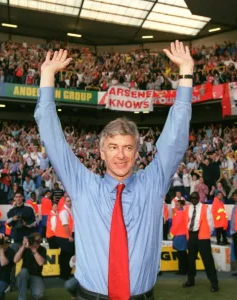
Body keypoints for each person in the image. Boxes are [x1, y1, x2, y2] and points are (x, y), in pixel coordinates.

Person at [35, 41, 193, 299]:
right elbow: (52, 139)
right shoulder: (82, 185)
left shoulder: (153, 184)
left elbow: (175, 140)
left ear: (136, 152)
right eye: (113, 147)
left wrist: (185, 73)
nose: (120, 155)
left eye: (128, 148)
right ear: (101, 152)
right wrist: (47, 75)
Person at [183, 192, 219, 292]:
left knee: (208, 261)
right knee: (190, 260)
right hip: (191, 236)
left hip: (203, 237)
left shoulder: (205, 207)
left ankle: (214, 283)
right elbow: (187, 222)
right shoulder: (187, 208)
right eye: (192, 198)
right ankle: (190, 280)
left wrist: (206, 233)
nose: (193, 200)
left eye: (195, 198)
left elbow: (211, 223)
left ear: (199, 198)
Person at [14, 233, 47, 300]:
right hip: (25, 274)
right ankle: (21, 298)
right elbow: (15, 260)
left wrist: (33, 249)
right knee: (23, 272)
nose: (36, 243)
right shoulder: (25, 248)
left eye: (38, 241)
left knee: (38, 295)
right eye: (34, 241)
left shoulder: (42, 249)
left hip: (36, 275)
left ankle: (33, 291)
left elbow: (40, 263)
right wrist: (23, 246)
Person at [56, 195, 74, 280]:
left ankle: (65, 274)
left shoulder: (68, 210)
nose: (69, 203)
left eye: (70, 201)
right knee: (66, 256)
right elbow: (65, 225)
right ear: (64, 202)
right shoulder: (64, 212)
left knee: (65, 255)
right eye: (68, 201)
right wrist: (69, 236)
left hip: (65, 236)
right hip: (64, 236)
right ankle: (64, 274)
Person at [170, 199, 188, 275]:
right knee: (182, 253)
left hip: (179, 235)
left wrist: (171, 233)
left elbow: (175, 225)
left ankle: (182, 270)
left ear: (181, 205)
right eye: (176, 205)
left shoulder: (179, 214)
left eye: (177, 205)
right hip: (182, 235)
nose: (176, 206)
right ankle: (183, 269)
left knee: (181, 254)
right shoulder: (182, 213)